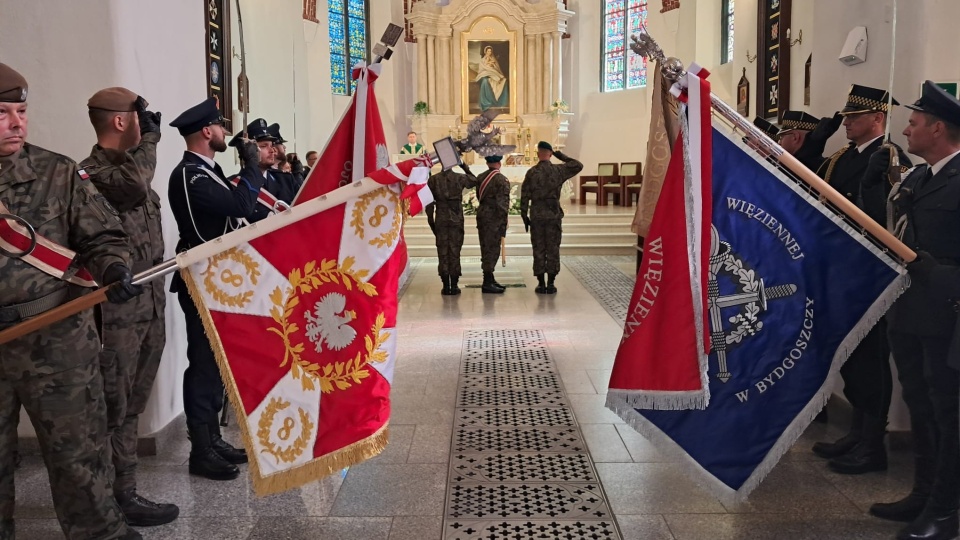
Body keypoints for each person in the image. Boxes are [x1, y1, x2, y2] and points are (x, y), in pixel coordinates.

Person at [0, 62, 143, 540]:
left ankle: (101, 534)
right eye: (3, 114)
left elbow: (103, 235)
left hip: (56, 340)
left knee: (78, 456)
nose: (18, 123)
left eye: (21, 111)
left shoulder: (56, 171)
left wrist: (113, 267)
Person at [80, 87, 179, 526]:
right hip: (116, 316)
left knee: (132, 405)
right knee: (110, 408)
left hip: (148, 306)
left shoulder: (131, 167)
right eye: (139, 115)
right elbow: (135, 187)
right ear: (120, 121)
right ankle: (104, 502)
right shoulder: (90, 173)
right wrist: (151, 140)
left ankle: (126, 493)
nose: (145, 123)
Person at [869, 80, 960, 540]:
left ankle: (946, 510)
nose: (906, 129)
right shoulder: (920, 178)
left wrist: (935, 274)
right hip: (908, 312)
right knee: (920, 405)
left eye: (914, 122)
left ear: (938, 128)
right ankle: (923, 494)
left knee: (947, 411)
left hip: (947, 315)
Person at [811, 85, 911, 476]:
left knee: (871, 356)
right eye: (847, 117)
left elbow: (888, 218)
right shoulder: (840, 158)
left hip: (867, 271)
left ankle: (873, 441)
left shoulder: (888, 157)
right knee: (850, 353)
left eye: (855, 117)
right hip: (838, 267)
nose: (847, 123)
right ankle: (857, 430)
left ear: (878, 119)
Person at [167, 97, 261, 481]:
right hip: (201, 281)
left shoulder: (209, 170)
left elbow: (245, 210)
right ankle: (200, 451)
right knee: (204, 366)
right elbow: (238, 203)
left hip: (218, 281)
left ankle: (214, 439)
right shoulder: (192, 175)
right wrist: (252, 164)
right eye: (220, 127)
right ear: (207, 132)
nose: (225, 132)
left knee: (217, 363)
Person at [520, 141, 583, 294]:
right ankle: (551, 283)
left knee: (539, 248)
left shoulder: (532, 172)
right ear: (549, 153)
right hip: (553, 215)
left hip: (537, 215)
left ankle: (541, 283)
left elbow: (524, 197)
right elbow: (578, 165)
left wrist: (525, 218)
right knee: (553, 248)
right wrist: (559, 154)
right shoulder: (558, 170)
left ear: (537, 154)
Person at [229, 119, 298, 223]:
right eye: (264, 146)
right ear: (247, 151)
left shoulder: (286, 180)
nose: (272, 150)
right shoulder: (233, 186)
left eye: (271, 145)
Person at [425, 164, 478, 295]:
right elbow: (475, 180)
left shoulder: (433, 180)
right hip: (456, 217)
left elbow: (429, 203)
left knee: (442, 251)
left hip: (441, 218)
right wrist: (463, 166)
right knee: (455, 250)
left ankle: (445, 285)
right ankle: (454, 285)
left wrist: (431, 222)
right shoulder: (459, 178)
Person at [475, 155, 510, 294]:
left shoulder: (480, 177)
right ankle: (487, 282)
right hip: (494, 217)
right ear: (499, 163)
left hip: (483, 214)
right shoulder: (501, 179)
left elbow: (479, 196)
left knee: (485, 246)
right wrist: (504, 220)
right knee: (492, 248)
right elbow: (503, 204)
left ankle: (490, 278)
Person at [476, 46, 508, 111]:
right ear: (486, 52)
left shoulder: (493, 59)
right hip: (485, 74)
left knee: (504, 81)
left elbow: (497, 68)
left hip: (493, 74)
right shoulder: (482, 60)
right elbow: (481, 69)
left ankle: (500, 102)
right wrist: (488, 67)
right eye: (488, 51)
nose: (489, 52)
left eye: (490, 51)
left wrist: (492, 66)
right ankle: (487, 102)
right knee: (485, 82)